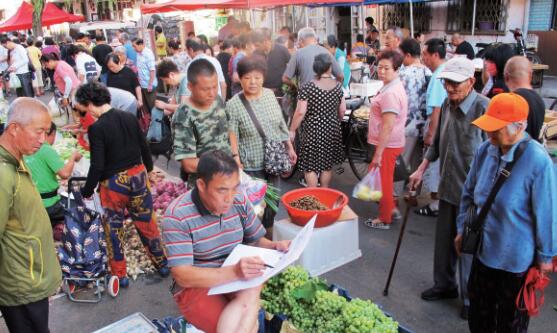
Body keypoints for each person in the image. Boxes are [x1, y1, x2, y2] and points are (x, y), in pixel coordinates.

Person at [456, 92, 557, 332]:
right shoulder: (485, 150)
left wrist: (545, 257)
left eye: (497, 128)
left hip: (516, 262)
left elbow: (546, 214)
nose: (490, 133)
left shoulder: (537, 161)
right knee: (479, 320)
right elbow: (468, 195)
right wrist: (462, 229)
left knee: (509, 325)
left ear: (519, 126)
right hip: (482, 253)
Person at [162, 150, 291, 333]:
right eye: (222, 190)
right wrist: (234, 272)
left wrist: (274, 246)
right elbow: (183, 275)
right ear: (201, 185)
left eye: (234, 188)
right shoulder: (177, 216)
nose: (230, 197)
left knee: (249, 303)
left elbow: (256, 240)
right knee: (247, 323)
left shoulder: (239, 200)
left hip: (235, 275)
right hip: (198, 284)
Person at [409, 57, 489, 320]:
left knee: (467, 247)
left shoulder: (484, 109)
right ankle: (445, 285)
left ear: (471, 82)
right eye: (446, 83)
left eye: (455, 84)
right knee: (444, 243)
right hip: (448, 185)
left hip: (474, 195)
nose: (450, 88)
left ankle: (471, 298)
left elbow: (494, 153)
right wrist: (421, 168)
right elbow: (438, 144)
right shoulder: (446, 104)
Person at [75, 82, 169, 288]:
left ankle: (120, 275)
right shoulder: (128, 117)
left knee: (114, 229)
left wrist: (87, 190)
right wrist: (150, 169)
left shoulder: (97, 128)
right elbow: (143, 145)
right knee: (147, 222)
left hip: (114, 184)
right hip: (138, 177)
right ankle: (162, 264)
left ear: (90, 103)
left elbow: (97, 165)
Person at [0, 98, 62, 333]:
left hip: (30, 275)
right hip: (20, 283)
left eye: (46, 133)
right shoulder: (3, 173)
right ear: (14, 128)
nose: (43, 140)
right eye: (38, 132)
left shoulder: (15, 160)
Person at [226, 56, 296, 227]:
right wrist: (235, 157)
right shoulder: (233, 104)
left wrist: (289, 147)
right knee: (255, 206)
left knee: (273, 202)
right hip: (251, 163)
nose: (252, 82)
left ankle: (268, 231)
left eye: (257, 77)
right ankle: (254, 238)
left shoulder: (270, 95)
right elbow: (232, 133)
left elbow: (280, 123)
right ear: (239, 79)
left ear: (263, 78)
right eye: (247, 78)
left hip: (273, 160)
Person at [363, 50, 408, 229]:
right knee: (386, 180)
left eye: (386, 68)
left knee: (384, 182)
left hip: (387, 144)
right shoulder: (391, 86)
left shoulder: (390, 92)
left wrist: (378, 154)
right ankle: (391, 210)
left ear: (396, 69)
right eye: (380, 67)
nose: (381, 71)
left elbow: (388, 125)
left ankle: (384, 218)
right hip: (391, 142)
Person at [288, 53, 345, 188]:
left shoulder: (307, 87)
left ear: (315, 68)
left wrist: (292, 129)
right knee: (326, 165)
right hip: (332, 129)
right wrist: (335, 121)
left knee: (310, 166)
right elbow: (342, 109)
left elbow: (300, 111)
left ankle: (314, 194)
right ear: (329, 67)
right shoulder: (338, 86)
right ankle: (324, 192)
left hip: (312, 130)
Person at [172, 59, 232, 186]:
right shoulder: (183, 116)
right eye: (205, 89)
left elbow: (229, 129)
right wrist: (223, 165)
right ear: (190, 87)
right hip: (205, 185)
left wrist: (235, 157)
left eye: (215, 87)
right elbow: (188, 163)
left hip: (228, 177)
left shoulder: (218, 100)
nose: (212, 93)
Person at [24, 122, 82, 240]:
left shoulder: (25, 147)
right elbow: (65, 174)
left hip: (31, 203)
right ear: (50, 134)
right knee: (78, 210)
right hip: (49, 205)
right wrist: (72, 158)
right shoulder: (46, 149)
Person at [416, 38, 448, 217]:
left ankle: (436, 206)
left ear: (435, 55)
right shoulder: (441, 72)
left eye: (425, 55)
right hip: (441, 126)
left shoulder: (438, 78)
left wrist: (430, 135)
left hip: (436, 125)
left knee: (433, 170)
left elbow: (436, 109)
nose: (423, 59)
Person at [398, 38, 431, 171]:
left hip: (406, 124)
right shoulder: (428, 72)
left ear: (408, 55)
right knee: (417, 160)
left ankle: (397, 191)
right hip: (423, 125)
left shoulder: (403, 74)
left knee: (401, 162)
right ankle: (413, 190)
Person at [504, 56, 545, 142]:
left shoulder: (512, 100)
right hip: (531, 150)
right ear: (530, 75)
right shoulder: (539, 100)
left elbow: (506, 137)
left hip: (515, 152)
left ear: (506, 77)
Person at [132, 38, 158, 112]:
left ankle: (157, 122)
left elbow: (152, 70)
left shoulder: (148, 54)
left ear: (141, 45)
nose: (134, 48)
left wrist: (150, 84)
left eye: (134, 46)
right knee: (146, 107)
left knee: (153, 107)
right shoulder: (138, 53)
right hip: (142, 84)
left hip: (149, 85)